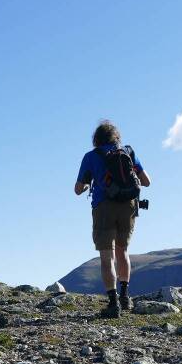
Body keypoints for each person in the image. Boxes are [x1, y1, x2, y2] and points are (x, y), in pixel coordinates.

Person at [74, 120, 151, 318]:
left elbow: (77, 189)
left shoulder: (91, 157)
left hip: (104, 207)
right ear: (116, 137)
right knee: (123, 251)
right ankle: (125, 297)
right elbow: (146, 181)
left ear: (96, 139)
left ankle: (113, 303)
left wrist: (87, 186)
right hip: (128, 206)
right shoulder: (128, 152)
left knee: (106, 256)